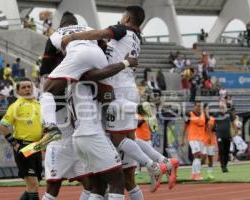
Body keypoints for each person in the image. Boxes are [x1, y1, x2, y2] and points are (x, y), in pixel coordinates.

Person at [62, 6, 177, 194]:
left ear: (127, 18)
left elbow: (100, 32)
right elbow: (111, 49)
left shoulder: (123, 30)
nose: (120, 18)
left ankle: (150, 162)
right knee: (129, 138)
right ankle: (163, 161)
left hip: (118, 89)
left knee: (116, 138)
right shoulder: (135, 37)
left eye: (123, 15)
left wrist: (73, 37)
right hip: (129, 87)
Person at [38, 11, 139, 200]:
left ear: (62, 25)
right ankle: (153, 162)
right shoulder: (90, 31)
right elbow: (103, 54)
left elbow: (46, 71)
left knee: (47, 91)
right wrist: (125, 63)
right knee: (116, 181)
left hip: (76, 136)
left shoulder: (57, 36)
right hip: (92, 133)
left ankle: (49, 125)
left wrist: (63, 71)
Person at [0, 78, 42, 200]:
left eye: (29, 86)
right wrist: (15, 145)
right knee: (33, 183)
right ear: (18, 91)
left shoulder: (38, 104)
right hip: (24, 147)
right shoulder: (16, 106)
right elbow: (2, 126)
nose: (27, 89)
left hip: (37, 146)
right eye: (24, 87)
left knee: (32, 186)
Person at [42, 107, 92, 200]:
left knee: (90, 185)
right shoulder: (49, 100)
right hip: (58, 148)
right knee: (53, 188)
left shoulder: (75, 97)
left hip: (76, 147)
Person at [182, 101, 206, 180]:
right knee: (197, 155)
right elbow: (184, 127)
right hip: (193, 138)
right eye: (198, 106)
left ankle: (193, 174)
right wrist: (183, 139)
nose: (199, 108)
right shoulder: (189, 115)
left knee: (199, 157)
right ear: (194, 107)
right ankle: (197, 174)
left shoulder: (204, 115)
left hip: (201, 139)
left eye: (201, 106)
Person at [214, 103, 236, 172]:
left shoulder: (229, 113)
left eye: (223, 106)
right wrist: (215, 132)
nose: (222, 107)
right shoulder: (216, 114)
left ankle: (225, 165)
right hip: (220, 135)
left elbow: (233, 123)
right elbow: (213, 123)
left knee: (227, 151)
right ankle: (222, 166)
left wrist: (235, 131)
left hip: (228, 135)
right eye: (220, 106)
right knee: (221, 150)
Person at [202, 104, 216, 180]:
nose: (207, 110)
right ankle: (198, 172)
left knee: (210, 157)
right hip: (203, 141)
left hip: (211, 141)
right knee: (203, 157)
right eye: (206, 109)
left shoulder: (212, 119)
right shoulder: (201, 118)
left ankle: (209, 173)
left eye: (208, 109)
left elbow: (213, 130)